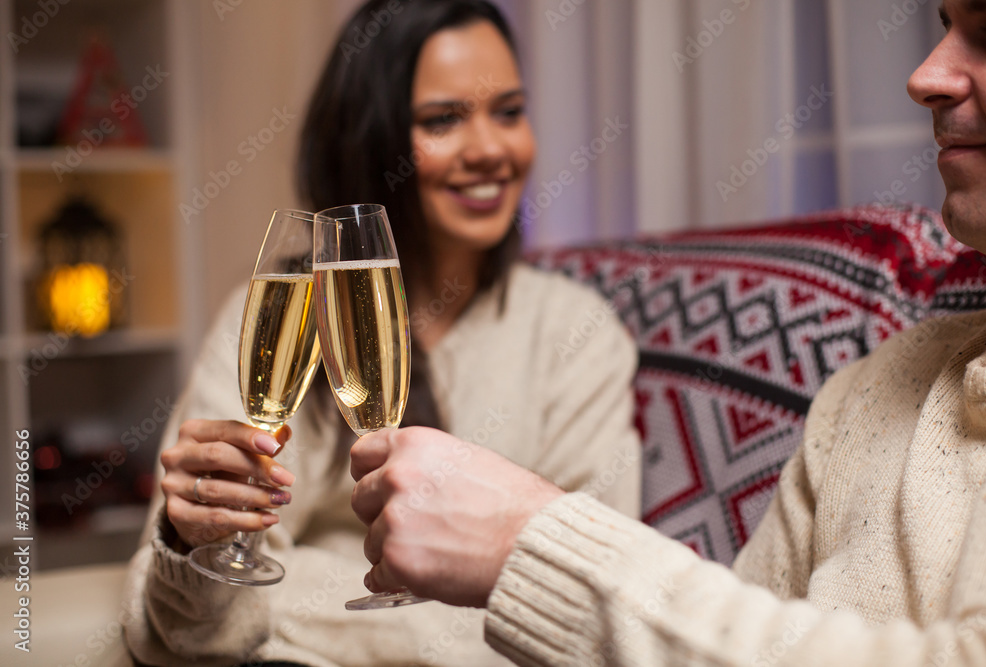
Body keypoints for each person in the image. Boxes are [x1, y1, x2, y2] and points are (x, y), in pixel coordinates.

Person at [350, 1, 986, 664]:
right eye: (442, 119)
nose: (924, 75)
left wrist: (527, 541)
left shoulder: (571, 331)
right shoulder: (871, 389)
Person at [121, 1, 641, 666]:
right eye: (443, 119)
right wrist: (194, 542)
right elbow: (183, 631)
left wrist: (292, 593)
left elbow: (588, 608)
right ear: (374, 140)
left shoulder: (579, 334)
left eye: (508, 111)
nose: (489, 148)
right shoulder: (286, 310)